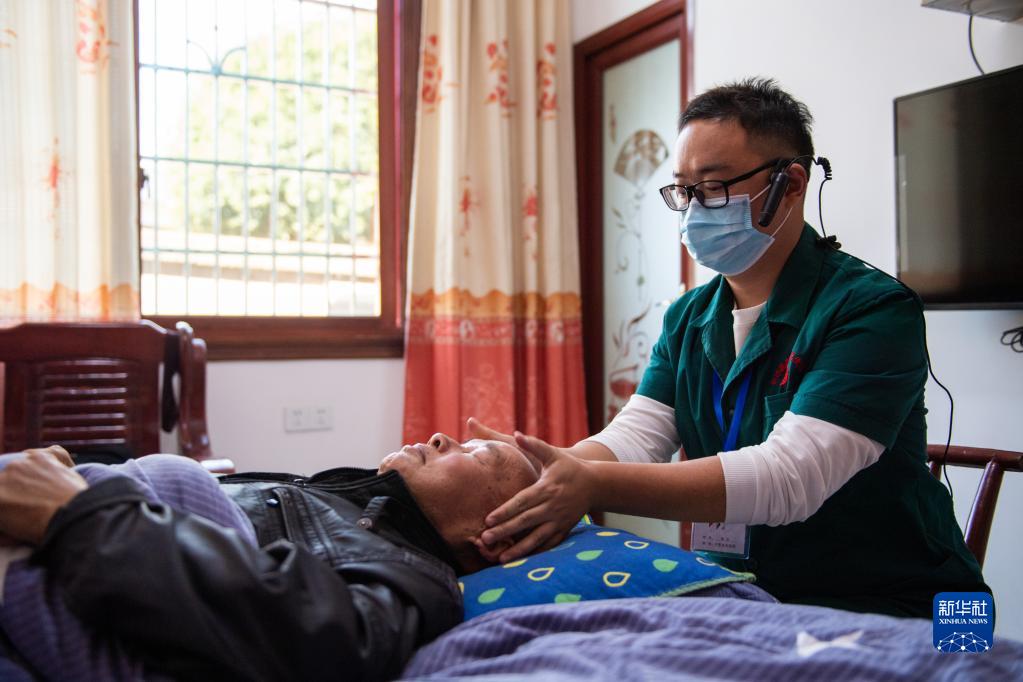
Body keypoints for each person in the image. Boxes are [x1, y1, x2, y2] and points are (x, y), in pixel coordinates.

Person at [473, 77, 987, 618]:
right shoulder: (688, 318)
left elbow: (788, 477)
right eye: (684, 191)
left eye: (714, 187)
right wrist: (542, 469)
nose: (695, 209)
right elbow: (636, 437)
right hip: (755, 595)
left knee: (976, 660)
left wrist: (590, 483)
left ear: (790, 184)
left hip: (916, 602)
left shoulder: (873, 309)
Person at [0, 434, 540, 681]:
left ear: (489, 535)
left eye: (478, 454)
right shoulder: (331, 496)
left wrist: (78, 513)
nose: (443, 437)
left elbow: (322, 644)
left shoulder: (416, 577)